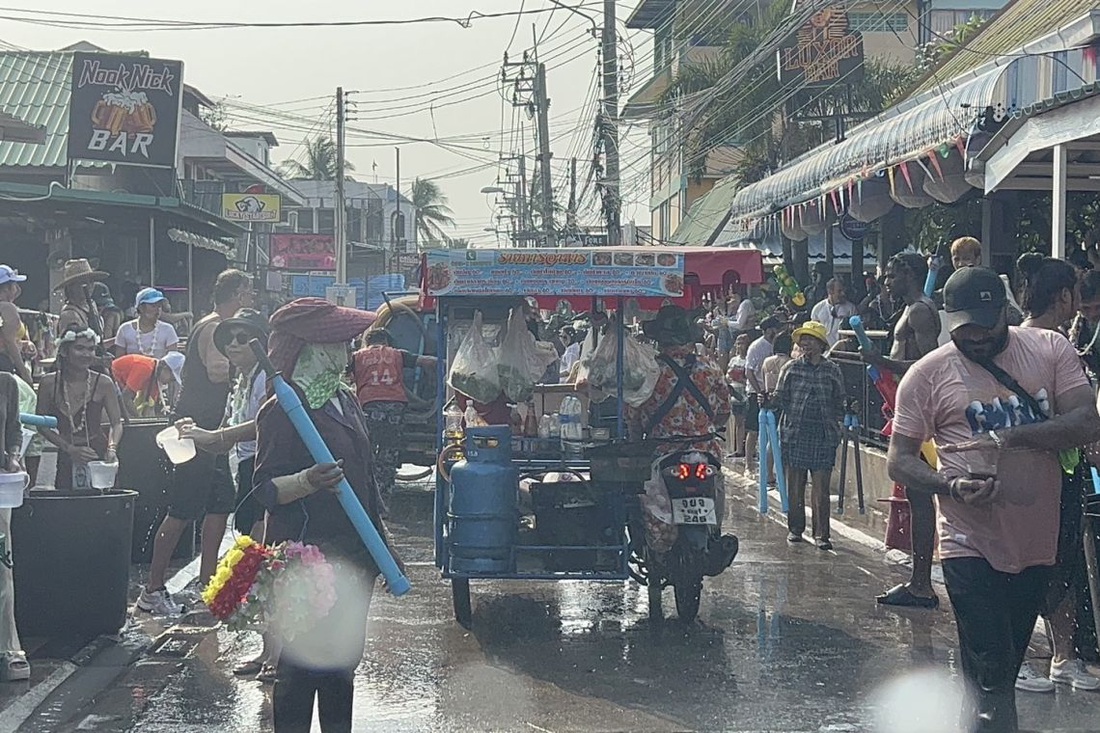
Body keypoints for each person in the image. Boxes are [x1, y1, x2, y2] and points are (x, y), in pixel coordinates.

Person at [888, 266, 1100, 732]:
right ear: (948, 319)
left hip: (1035, 544)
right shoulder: (927, 376)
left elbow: (1087, 422)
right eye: (966, 327)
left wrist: (1014, 438)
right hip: (968, 541)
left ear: (1007, 312)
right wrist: (948, 485)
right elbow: (899, 461)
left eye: (988, 324)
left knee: (990, 670)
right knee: (995, 676)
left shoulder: (1050, 349)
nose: (978, 336)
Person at [254, 297, 400, 731]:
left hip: (352, 557)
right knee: (299, 672)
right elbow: (262, 490)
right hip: (306, 559)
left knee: (341, 668)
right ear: (310, 347)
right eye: (337, 343)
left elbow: (366, 481)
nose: (346, 351)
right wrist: (306, 481)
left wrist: (383, 551)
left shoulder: (345, 399)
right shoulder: (283, 408)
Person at [138, 269, 253, 616]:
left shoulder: (224, 326)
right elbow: (218, 370)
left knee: (220, 503)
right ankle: (153, 590)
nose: (252, 299)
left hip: (215, 432)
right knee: (183, 507)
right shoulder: (215, 327)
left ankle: (208, 583)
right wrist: (246, 364)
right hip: (194, 428)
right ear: (239, 293)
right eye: (249, 292)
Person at [1012, 254, 1100, 693]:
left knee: (1039, 561)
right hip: (1056, 470)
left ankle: (1053, 656)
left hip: (1024, 469)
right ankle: (1052, 655)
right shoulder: (1056, 345)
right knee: (1052, 563)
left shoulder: (1011, 341)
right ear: (1063, 296)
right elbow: (1082, 415)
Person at [179, 308, 275, 682]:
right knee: (257, 564)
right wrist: (197, 432)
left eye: (243, 337)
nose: (234, 344)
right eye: (229, 338)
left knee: (264, 564)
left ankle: (276, 655)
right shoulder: (242, 380)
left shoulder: (268, 377)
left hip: (267, 471)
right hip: (247, 472)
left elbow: (262, 424)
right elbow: (225, 435)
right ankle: (268, 650)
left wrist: (214, 437)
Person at [863, 252, 942, 610]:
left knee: (921, 494)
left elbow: (928, 365)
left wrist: (882, 362)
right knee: (915, 495)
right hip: (905, 405)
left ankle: (923, 583)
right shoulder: (913, 308)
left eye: (891, 276)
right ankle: (919, 579)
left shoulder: (921, 311)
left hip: (920, 410)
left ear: (908, 273)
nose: (887, 284)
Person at [773, 321, 846, 550]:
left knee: (821, 489)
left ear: (821, 344)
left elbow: (839, 400)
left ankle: (822, 534)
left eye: (811, 340)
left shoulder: (832, 369)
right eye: (803, 340)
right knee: (795, 485)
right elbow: (781, 397)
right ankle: (795, 529)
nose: (805, 344)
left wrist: (845, 414)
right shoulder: (791, 368)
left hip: (824, 435)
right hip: (796, 434)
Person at [629, 306, 731, 459]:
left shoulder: (649, 369)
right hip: (705, 449)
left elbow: (633, 414)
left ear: (659, 338)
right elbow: (725, 410)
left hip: (660, 450)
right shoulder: (710, 367)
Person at [351, 329, 437, 501]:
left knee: (367, 454)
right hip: (395, 410)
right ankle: (384, 499)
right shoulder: (397, 354)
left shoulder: (357, 357)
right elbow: (428, 361)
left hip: (369, 408)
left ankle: (366, 497)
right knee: (388, 456)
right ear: (387, 341)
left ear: (367, 342)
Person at [36, 327, 122, 490]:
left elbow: (116, 423)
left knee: (102, 506)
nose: (86, 354)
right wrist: (69, 449)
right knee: (68, 508)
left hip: (99, 455)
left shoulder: (104, 383)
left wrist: (111, 449)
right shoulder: (48, 384)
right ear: (64, 351)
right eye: (79, 348)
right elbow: (41, 424)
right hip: (67, 453)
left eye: (91, 349)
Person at [0, 372, 27, 681]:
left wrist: (14, 458)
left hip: (1, 485)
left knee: (3, 566)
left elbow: (14, 431)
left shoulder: (6, 383)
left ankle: (9, 646)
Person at [744, 317, 783, 481]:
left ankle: (769, 468)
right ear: (767, 330)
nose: (776, 331)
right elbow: (749, 371)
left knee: (772, 431)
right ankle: (748, 464)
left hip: (771, 393)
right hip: (756, 392)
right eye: (774, 328)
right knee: (753, 430)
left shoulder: (776, 345)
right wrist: (759, 390)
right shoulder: (757, 346)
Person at [111, 352, 185, 418]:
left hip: (120, 390)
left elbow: (150, 407)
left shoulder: (156, 378)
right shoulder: (146, 368)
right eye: (172, 379)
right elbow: (125, 397)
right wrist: (139, 419)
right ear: (165, 369)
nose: (170, 382)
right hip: (111, 382)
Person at [113, 287, 180, 359]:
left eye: (159, 306)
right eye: (153, 306)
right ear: (141, 308)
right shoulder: (124, 329)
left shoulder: (168, 330)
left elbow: (173, 361)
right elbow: (119, 361)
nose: (158, 309)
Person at [55, 259, 107, 339]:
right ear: (71, 287)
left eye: (91, 281)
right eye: (83, 282)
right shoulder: (70, 315)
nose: (90, 286)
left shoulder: (92, 305)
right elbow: (73, 346)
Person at [0, 265, 33, 385]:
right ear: (6, 288)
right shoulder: (7, 308)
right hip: (4, 363)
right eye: (14, 285)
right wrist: (24, 372)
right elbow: (10, 342)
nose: (18, 288)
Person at [810, 279, 858, 347]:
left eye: (843, 291)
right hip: (823, 350)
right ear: (830, 291)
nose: (843, 294)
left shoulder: (851, 308)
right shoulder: (818, 308)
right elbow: (813, 331)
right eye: (839, 291)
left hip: (841, 351)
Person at [726, 333, 751, 459]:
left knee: (746, 422)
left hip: (745, 391)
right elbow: (727, 375)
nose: (740, 346)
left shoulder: (748, 359)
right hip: (734, 392)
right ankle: (738, 448)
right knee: (737, 422)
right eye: (738, 343)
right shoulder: (734, 360)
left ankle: (746, 447)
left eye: (742, 343)